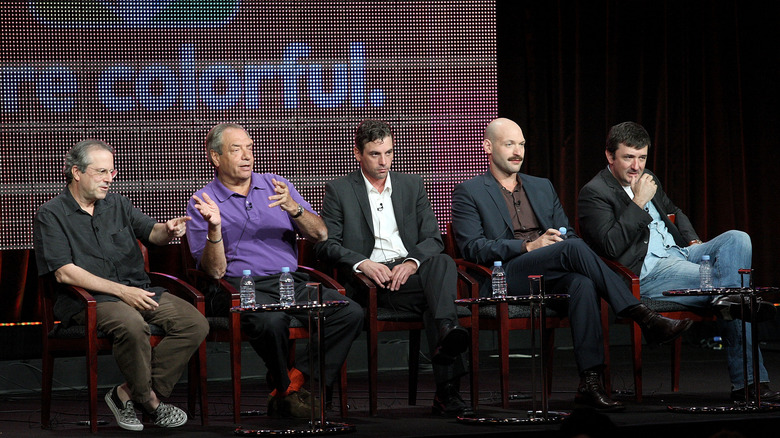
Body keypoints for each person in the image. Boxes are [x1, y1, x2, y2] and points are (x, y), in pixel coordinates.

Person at [451, 117, 692, 411]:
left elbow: (569, 233)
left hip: (550, 270)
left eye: (522, 144)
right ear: (488, 147)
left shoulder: (541, 186)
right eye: (509, 144)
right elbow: (471, 247)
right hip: (506, 273)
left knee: (582, 281)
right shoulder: (469, 191)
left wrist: (556, 241)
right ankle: (641, 315)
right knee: (574, 249)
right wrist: (528, 245)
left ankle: (590, 383)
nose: (518, 151)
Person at [577, 121, 779, 402]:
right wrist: (637, 203)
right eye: (628, 157)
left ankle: (732, 300)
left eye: (642, 157)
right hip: (650, 272)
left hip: (681, 254)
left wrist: (693, 241)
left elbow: (675, 212)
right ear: (610, 156)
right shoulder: (594, 193)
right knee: (737, 292)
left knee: (738, 238)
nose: (637, 166)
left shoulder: (649, 178)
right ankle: (749, 381)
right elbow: (609, 246)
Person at [186, 123, 363, 418]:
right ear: (215, 157)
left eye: (250, 148)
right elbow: (214, 271)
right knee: (272, 322)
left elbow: (320, 234)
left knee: (349, 312)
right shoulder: (203, 201)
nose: (247, 156)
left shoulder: (276, 185)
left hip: (288, 282)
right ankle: (285, 390)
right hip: (239, 288)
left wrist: (294, 208)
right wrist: (214, 227)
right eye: (236, 149)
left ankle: (294, 383)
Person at [33, 140, 209, 431]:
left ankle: (126, 393)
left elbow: (153, 233)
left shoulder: (118, 204)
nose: (109, 179)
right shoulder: (51, 214)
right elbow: (65, 273)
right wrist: (121, 291)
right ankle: (150, 401)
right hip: (89, 301)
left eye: (112, 172)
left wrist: (169, 230)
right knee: (131, 324)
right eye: (101, 172)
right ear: (76, 173)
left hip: (136, 289)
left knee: (194, 322)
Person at [315, 119, 472, 417]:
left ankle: (445, 333)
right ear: (357, 153)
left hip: (408, 277)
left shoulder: (411, 185)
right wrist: (363, 263)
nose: (384, 161)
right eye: (375, 154)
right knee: (437, 302)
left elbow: (433, 239)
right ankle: (447, 377)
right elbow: (326, 244)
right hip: (370, 281)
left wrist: (412, 262)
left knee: (441, 263)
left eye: (389, 153)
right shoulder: (340, 190)